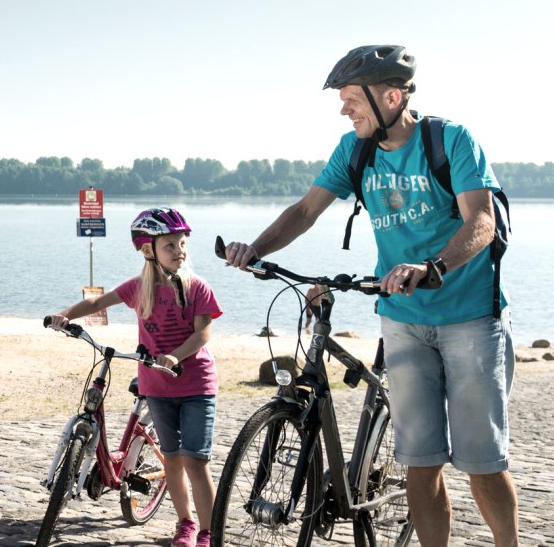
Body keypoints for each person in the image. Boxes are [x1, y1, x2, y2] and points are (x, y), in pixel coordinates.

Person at [223, 45, 517, 547]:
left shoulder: (450, 140)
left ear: (392, 96)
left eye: (352, 99)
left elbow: (482, 221)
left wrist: (433, 267)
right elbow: (305, 210)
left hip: (470, 319)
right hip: (401, 319)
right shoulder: (352, 150)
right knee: (419, 462)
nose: (344, 110)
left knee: (481, 461)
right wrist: (256, 248)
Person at [47, 207, 221, 547]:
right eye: (170, 245)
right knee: (171, 459)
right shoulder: (138, 289)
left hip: (197, 384)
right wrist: (64, 315)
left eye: (182, 243)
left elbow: (203, 335)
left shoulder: (198, 288)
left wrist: (174, 355)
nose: (180, 251)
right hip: (156, 387)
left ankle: (208, 531)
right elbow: (99, 301)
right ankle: (184, 524)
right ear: (148, 250)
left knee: (196, 461)